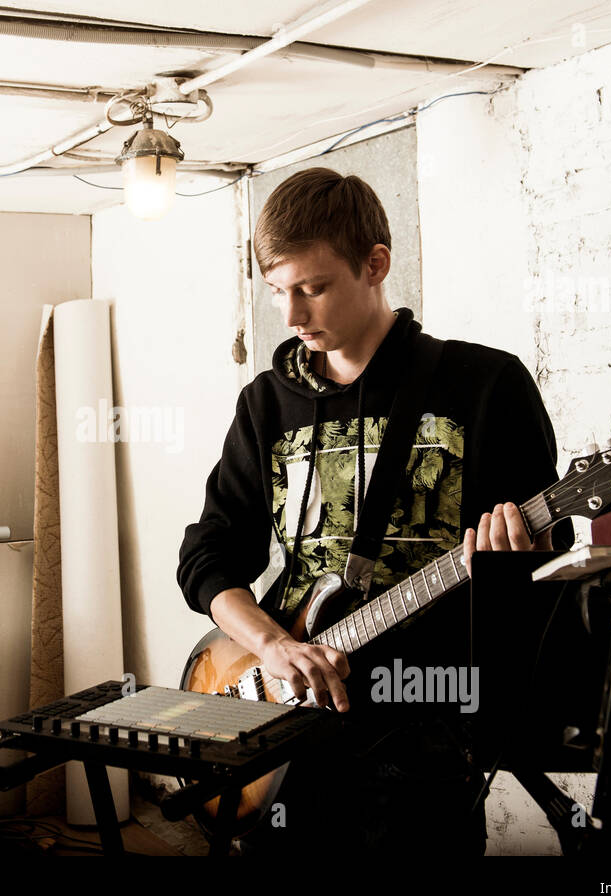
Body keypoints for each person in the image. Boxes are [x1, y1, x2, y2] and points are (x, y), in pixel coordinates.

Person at [176, 167, 565, 854]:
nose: (293, 317)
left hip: (422, 728)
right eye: (278, 293)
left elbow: (544, 575)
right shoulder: (266, 403)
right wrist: (272, 645)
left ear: (376, 264)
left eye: (313, 288)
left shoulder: (483, 386)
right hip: (282, 714)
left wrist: (526, 553)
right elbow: (209, 558)